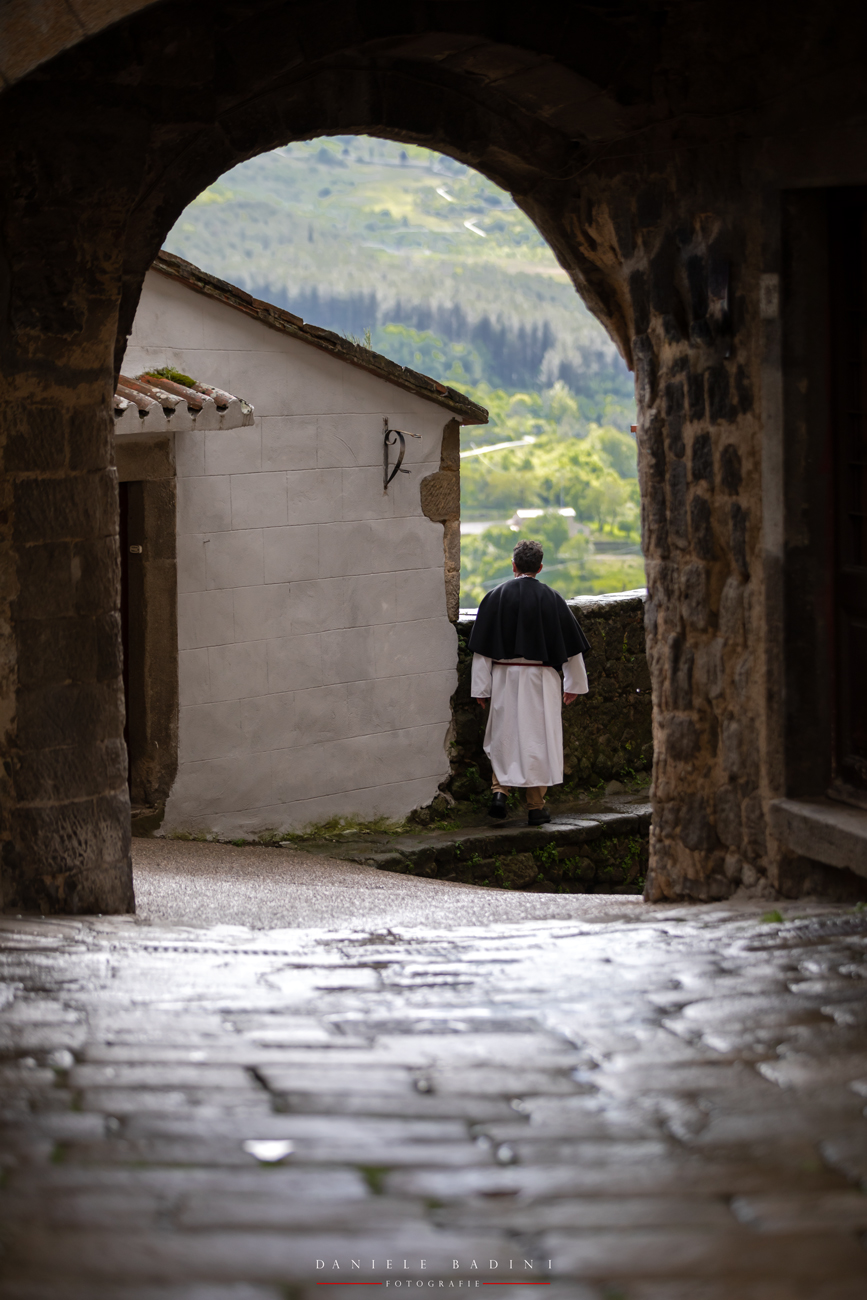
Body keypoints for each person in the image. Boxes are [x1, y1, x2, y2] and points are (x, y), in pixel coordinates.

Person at [468, 539, 590, 825]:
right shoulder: (553, 599)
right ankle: (536, 807)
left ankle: (500, 793)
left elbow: (482, 652)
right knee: (538, 739)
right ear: (540, 567)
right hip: (541, 679)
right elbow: (572, 649)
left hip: (504, 677)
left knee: (504, 734)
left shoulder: (494, 597)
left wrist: (481, 689)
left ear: (513, 565)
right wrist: (573, 684)